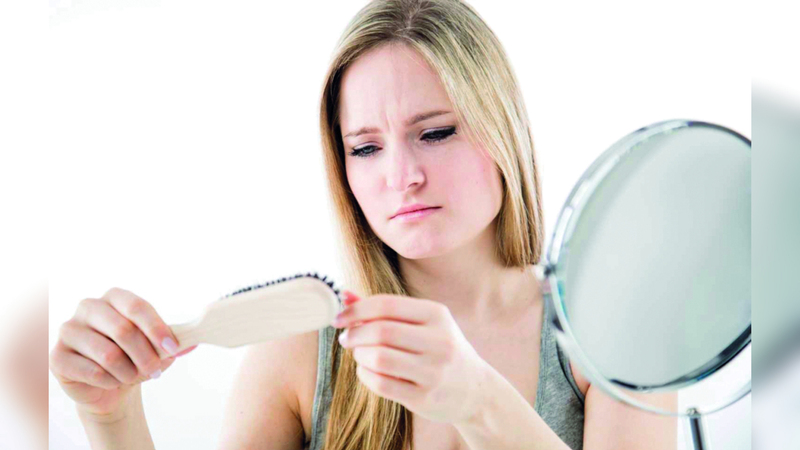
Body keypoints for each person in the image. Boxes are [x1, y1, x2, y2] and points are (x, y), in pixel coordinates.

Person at [49, 0, 677, 449]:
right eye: (366, 148)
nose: (402, 177)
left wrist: (480, 402)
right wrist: (109, 417)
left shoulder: (613, 336)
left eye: (436, 132)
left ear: (505, 131)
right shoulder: (300, 347)